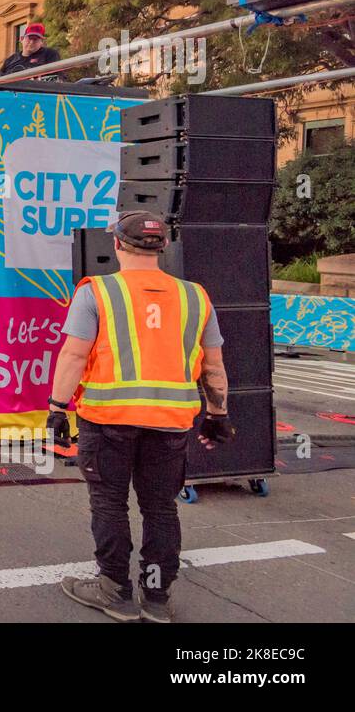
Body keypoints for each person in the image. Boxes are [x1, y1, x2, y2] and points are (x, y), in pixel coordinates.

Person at [47, 210, 233, 623]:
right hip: (170, 422)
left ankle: (114, 590)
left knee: (109, 504)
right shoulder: (195, 296)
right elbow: (214, 367)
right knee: (160, 508)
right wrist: (218, 414)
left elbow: (74, 354)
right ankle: (156, 597)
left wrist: (57, 408)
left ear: (116, 245)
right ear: (163, 247)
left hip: (108, 419)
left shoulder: (97, 292)